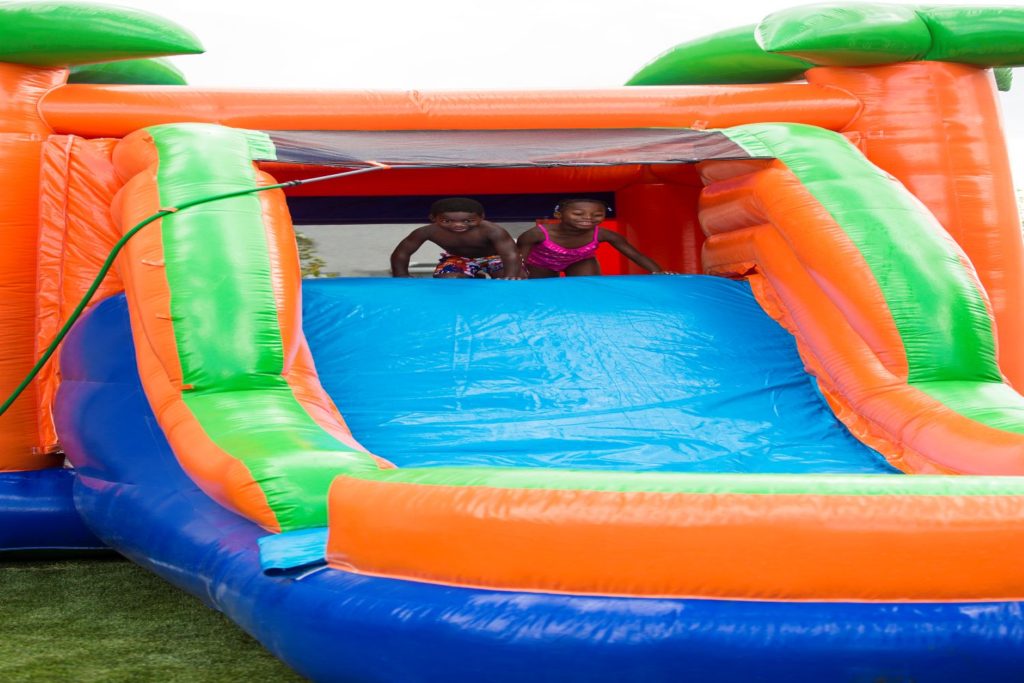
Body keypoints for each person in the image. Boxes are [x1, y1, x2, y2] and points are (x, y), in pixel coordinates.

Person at [518, 198, 669, 278]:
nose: (588, 218)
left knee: (588, 285)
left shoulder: (603, 234)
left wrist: (657, 271)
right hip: (541, 264)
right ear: (559, 215)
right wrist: (517, 274)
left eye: (597, 215)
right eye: (578, 214)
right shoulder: (537, 233)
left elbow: (634, 254)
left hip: (580, 261)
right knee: (544, 289)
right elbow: (519, 257)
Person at [390, 197, 523, 279]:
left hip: (494, 258)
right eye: (447, 221)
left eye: (468, 221)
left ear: (481, 217)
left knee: (513, 278)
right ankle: (475, 277)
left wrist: (511, 276)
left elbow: (510, 254)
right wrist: (401, 275)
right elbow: (402, 253)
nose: (458, 225)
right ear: (433, 218)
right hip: (458, 258)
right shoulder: (427, 231)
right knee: (448, 280)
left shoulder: (493, 230)